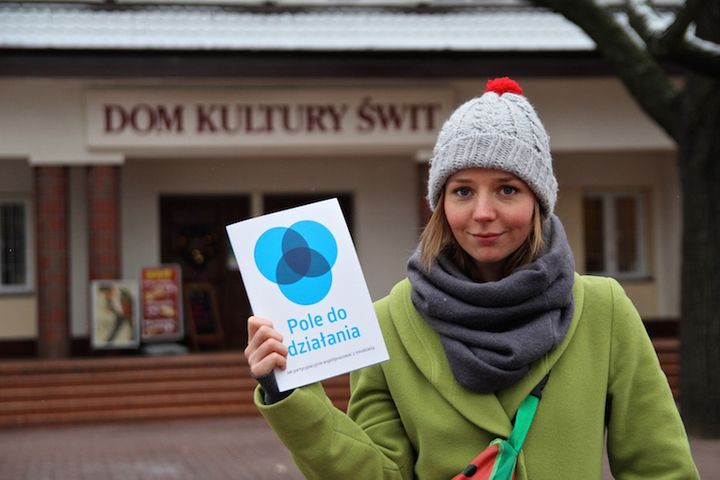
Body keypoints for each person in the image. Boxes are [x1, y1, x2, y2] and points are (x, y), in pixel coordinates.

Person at [244, 77, 699, 479]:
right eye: (462, 190)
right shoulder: (389, 323)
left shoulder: (603, 310)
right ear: (441, 204)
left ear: (538, 202)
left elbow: (659, 469)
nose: (483, 212)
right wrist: (290, 392)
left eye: (507, 189)